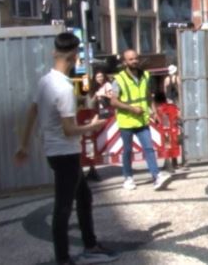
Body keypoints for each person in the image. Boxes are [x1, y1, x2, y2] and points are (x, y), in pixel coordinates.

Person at [15, 32, 119, 265]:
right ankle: (64, 258)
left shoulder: (44, 81)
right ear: (74, 57)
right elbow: (69, 130)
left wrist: (23, 144)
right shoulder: (63, 89)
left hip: (56, 152)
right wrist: (93, 126)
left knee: (84, 197)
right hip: (65, 152)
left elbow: (32, 112)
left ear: (54, 53)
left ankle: (90, 244)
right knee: (63, 207)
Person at [109, 49, 171, 191]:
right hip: (127, 121)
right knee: (128, 151)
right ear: (125, 62)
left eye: (136, 58)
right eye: (130, 59)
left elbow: (148, 96)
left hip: (142, 120)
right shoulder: (118, 79)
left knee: (149, 148)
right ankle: (128, 178)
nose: (134, 61)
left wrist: (154, 112)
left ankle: (156, 176)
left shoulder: (146, 76)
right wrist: (131, 109)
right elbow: (113, 102)